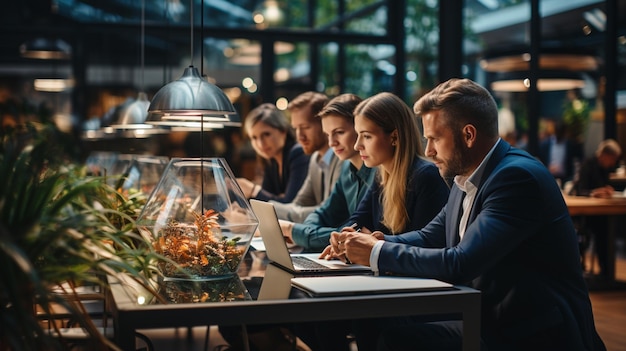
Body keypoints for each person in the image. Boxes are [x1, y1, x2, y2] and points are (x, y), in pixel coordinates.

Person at [326, 79, 605, 351]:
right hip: (488, 313)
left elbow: (462, 262)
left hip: (531, 330)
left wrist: (377, 252)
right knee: (372, 320)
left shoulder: (515, 178)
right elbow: (430, 236)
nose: (427, 150)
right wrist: (374, 242)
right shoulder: (465, 177)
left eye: (434, 138)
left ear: (468, 135)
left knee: (395, 338)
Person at [279, 93, 376, 252]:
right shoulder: (346, 167)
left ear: (359, 128)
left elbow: (351, 233)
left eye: (339, 132)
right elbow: (323, 213)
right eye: (328, 134)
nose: (332, 142)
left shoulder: (378, 172)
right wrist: (307, 232)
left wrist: (296, 232)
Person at [271, 91, 343, 222]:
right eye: (296, 128)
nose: (300, 136)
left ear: (324, 123)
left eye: (305, 127)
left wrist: (270, 210)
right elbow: (299, 204)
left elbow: (328, 212)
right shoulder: (315, 159)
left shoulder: (342, 160)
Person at [236, 103, 309, 203]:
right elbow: (266, 203)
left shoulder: (298, 153)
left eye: (266, 134)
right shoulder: (271, 160)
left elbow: (290, 204)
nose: (260, 144)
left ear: (283, 131)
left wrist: (253, 190)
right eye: (254, 137)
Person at [572, 139, 622, 279]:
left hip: (600, 213)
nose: (613, 163)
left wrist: (606, 190)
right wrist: (594, 193)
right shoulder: (588, 165)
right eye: (612, 159)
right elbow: (580, 190)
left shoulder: (605, 169)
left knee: (606, 228)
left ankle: (606, 273)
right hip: (584, 214)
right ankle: (604, 273)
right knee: (602, 230)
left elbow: (602, 186)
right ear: (605, 155)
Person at [538, 119, 582, 187]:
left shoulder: (571, 145)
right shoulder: (545, 144)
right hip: (549, 177)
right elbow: (540, 159)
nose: (559, 135)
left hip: (566, 179)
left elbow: (577, 161)